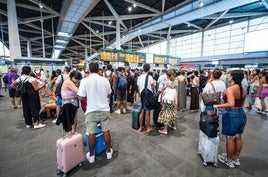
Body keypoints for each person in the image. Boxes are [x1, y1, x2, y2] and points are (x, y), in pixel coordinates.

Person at [77, 62, 113, 164]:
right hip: (104, 110)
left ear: (89, 69)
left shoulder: (84, 81)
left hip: (91, 110)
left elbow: (81, 97)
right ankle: (109, 152)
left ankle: (91, 155)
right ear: (99, 69)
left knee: (91, 132)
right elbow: (109, 94)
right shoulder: (105, 80)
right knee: (106, 130)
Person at [213, 70, 247, 168]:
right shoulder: (243, 89)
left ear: (232, 77)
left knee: (230, 138)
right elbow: (242, 103)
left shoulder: (231, 89)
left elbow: (231, 104)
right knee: (238, 136)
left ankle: (228, 160)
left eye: (229, 75)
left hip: (231, 114)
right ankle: (235, 158)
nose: (228, 76)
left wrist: (218, 106)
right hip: (241, 113)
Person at [158, 69, 177, 135]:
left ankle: (165, 129)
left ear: (166, 74)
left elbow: (163, 91)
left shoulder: (166, 82)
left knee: (166, 113)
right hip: (172, 100)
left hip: (167, 100)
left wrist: (160, 98)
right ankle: (174, 126)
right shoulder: (175, 81)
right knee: (172, 112)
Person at [137, 63, 155, 132]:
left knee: (142, 111)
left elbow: (138, 87)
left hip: (141, 96)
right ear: (149, 69)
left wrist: (141, 94)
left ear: (143, 68)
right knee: (147, 112)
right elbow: (152, 87)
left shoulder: (139, 77)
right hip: (148, 97)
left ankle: (140, 127)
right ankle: (148, 128)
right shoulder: (149, 77)